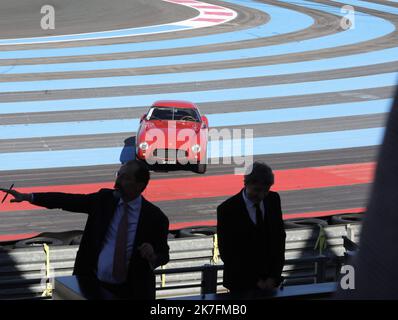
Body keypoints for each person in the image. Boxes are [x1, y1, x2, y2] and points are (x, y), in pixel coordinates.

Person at [0, 160, 169, 300]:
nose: (116, 183)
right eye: (118, 175)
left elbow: (163, 256)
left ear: (139, 185)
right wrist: (29, 197)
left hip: (131, 294)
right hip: (92, 286)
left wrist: (153, 256)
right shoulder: (104, 200)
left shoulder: (156, 218)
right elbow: (67, 200)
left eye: (124, 178)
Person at [217, 161, 286, 294]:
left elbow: (279, 240)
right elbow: (228, 253)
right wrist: (255, 281)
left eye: (266, 190)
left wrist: (274, 277)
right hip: (241, 284)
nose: (261, 195)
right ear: (246, 183)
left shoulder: (273, 199)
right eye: (257, 190)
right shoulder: (227, 210)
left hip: (270, 282)